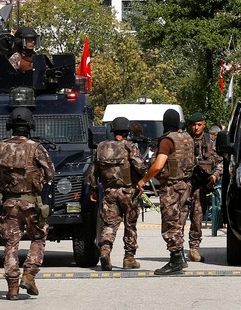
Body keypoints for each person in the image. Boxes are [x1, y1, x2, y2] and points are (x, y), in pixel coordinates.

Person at [0, 107, 55, 300]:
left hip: (9, 203)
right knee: (38, 238)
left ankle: (12, 288)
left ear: (10, 126)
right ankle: (29, 275)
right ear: (30, 126)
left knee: (10, 243)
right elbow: (51, 172)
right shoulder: (36, 148)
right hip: (32, 203)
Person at [136, 108, 195, 276]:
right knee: (179, 222)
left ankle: (175, 260)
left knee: (169, 223)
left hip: (171, 187)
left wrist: (143, 180)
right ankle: (181, 257)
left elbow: (158, 165)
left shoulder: (167, 141)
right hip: (186, 186)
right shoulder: (187, 138)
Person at [90, 116, 146, 270]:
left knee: (109, 224)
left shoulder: (101, 147)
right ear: (127, 131)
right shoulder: (130, 146)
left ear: (113, 130)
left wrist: (94, 190)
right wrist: (143, 178)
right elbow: (140, 166)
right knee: (130, 225)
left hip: (109, 192)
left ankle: (105, 251)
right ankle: (129, 258)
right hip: (129, 192)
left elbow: (93, 171)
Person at [186, 113, 223, 262]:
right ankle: (175, 250)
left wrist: (215, 175)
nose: (196, 128)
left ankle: (194, 248)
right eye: (194, 125)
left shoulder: (211, 142)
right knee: (179, 219)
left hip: (201, 186)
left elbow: (221, 162)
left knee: (197, 218)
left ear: (204, 124)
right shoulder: (185, 141)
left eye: (199, 124)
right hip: (184, 185)